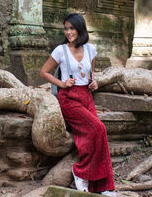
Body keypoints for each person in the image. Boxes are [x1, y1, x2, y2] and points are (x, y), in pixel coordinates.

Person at [40, 13, 116, 197]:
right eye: (66, 28)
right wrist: (62, 84)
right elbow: (44, 72)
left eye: (71, 28)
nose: (68, 32)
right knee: (99, 129)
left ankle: (103, 186)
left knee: (98, 135)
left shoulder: (91, 49)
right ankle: (80, 172)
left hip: (86, 96)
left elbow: (91, 74)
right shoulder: (60, 50)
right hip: (69, 98)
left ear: (80, 29)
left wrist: (93, 82)